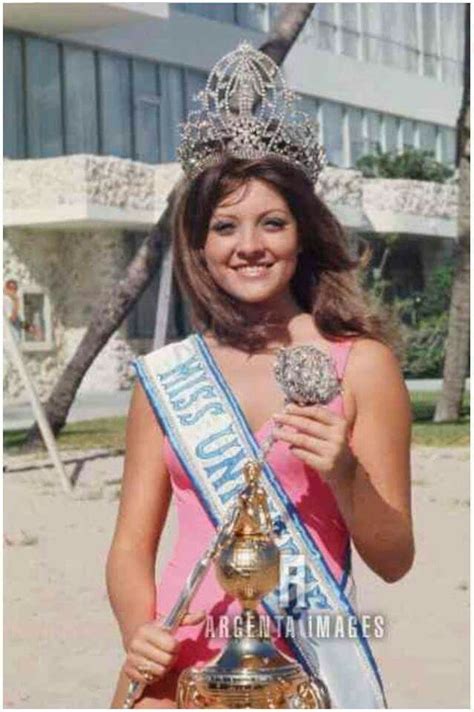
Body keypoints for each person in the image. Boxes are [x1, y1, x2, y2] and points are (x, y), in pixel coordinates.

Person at [107, 42, 413, 709]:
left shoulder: (361, 364)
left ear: (302, 233)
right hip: (178, 669)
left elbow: (394, 558)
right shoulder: (166, 376)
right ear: (199, 246)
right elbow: (131, 547)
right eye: (225, 226)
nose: (249, 245)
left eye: (272, 222)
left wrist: (345, 473)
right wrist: (139, 629)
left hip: (305, 669)